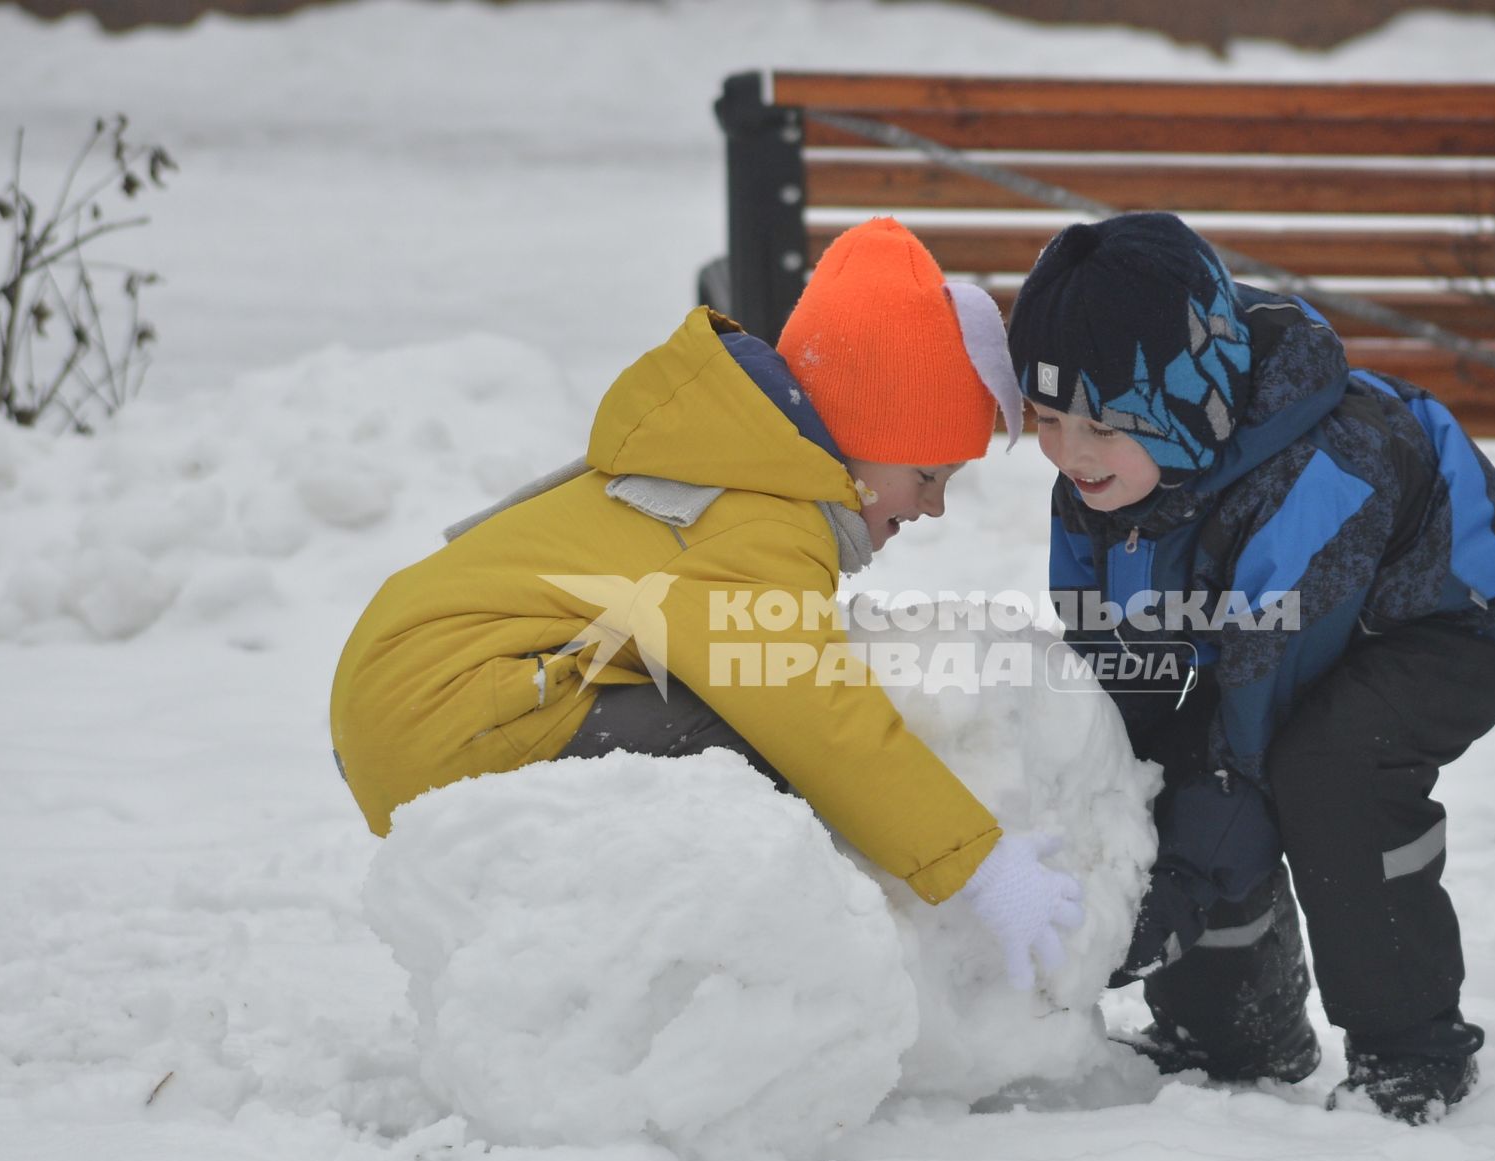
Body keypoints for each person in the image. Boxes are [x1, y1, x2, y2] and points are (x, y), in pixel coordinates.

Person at [330, 217, 1083, 991]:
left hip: (429, 703)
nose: (934, 508)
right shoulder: (760, 522)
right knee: (761, 755)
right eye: (927, 476)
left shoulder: (731, 466)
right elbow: (819, 721)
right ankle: (731, 982)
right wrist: (978, 866)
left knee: (742, 705)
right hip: (450, 717)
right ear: (860, 433)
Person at [1005, 212, 1495, 1122]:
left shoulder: (1323, 477)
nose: (1069, 453)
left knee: (1326, 769)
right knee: (1172, 763)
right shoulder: (1112, 474)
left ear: (1183, 407)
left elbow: (1259, 722)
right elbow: (1112, 671)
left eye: (1101, 425)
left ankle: (1412, 1049)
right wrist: (1097, 803)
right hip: (1268, 628)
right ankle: (1235, 1035)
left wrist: (1179, 887)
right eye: (1048, 418)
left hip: (1449, 621)